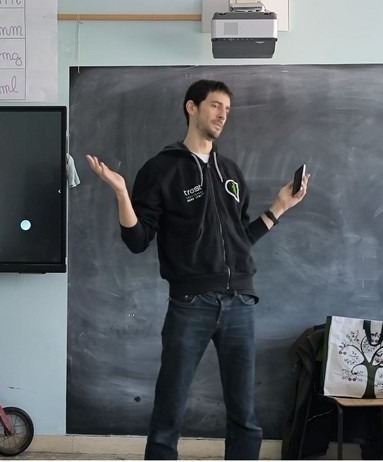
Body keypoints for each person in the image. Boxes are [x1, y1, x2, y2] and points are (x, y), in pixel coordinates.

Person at [87, 79, 309, 460]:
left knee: (245, 416)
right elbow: (137, 239)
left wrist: (279, 208)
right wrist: (123, 193)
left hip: (240, 303)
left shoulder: (230, 172)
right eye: (215, 106)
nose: (223, 114)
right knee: (169, 410)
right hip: (191, 304)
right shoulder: (161, 169)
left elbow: (240, 240)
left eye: (227, 109)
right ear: (192, 107)